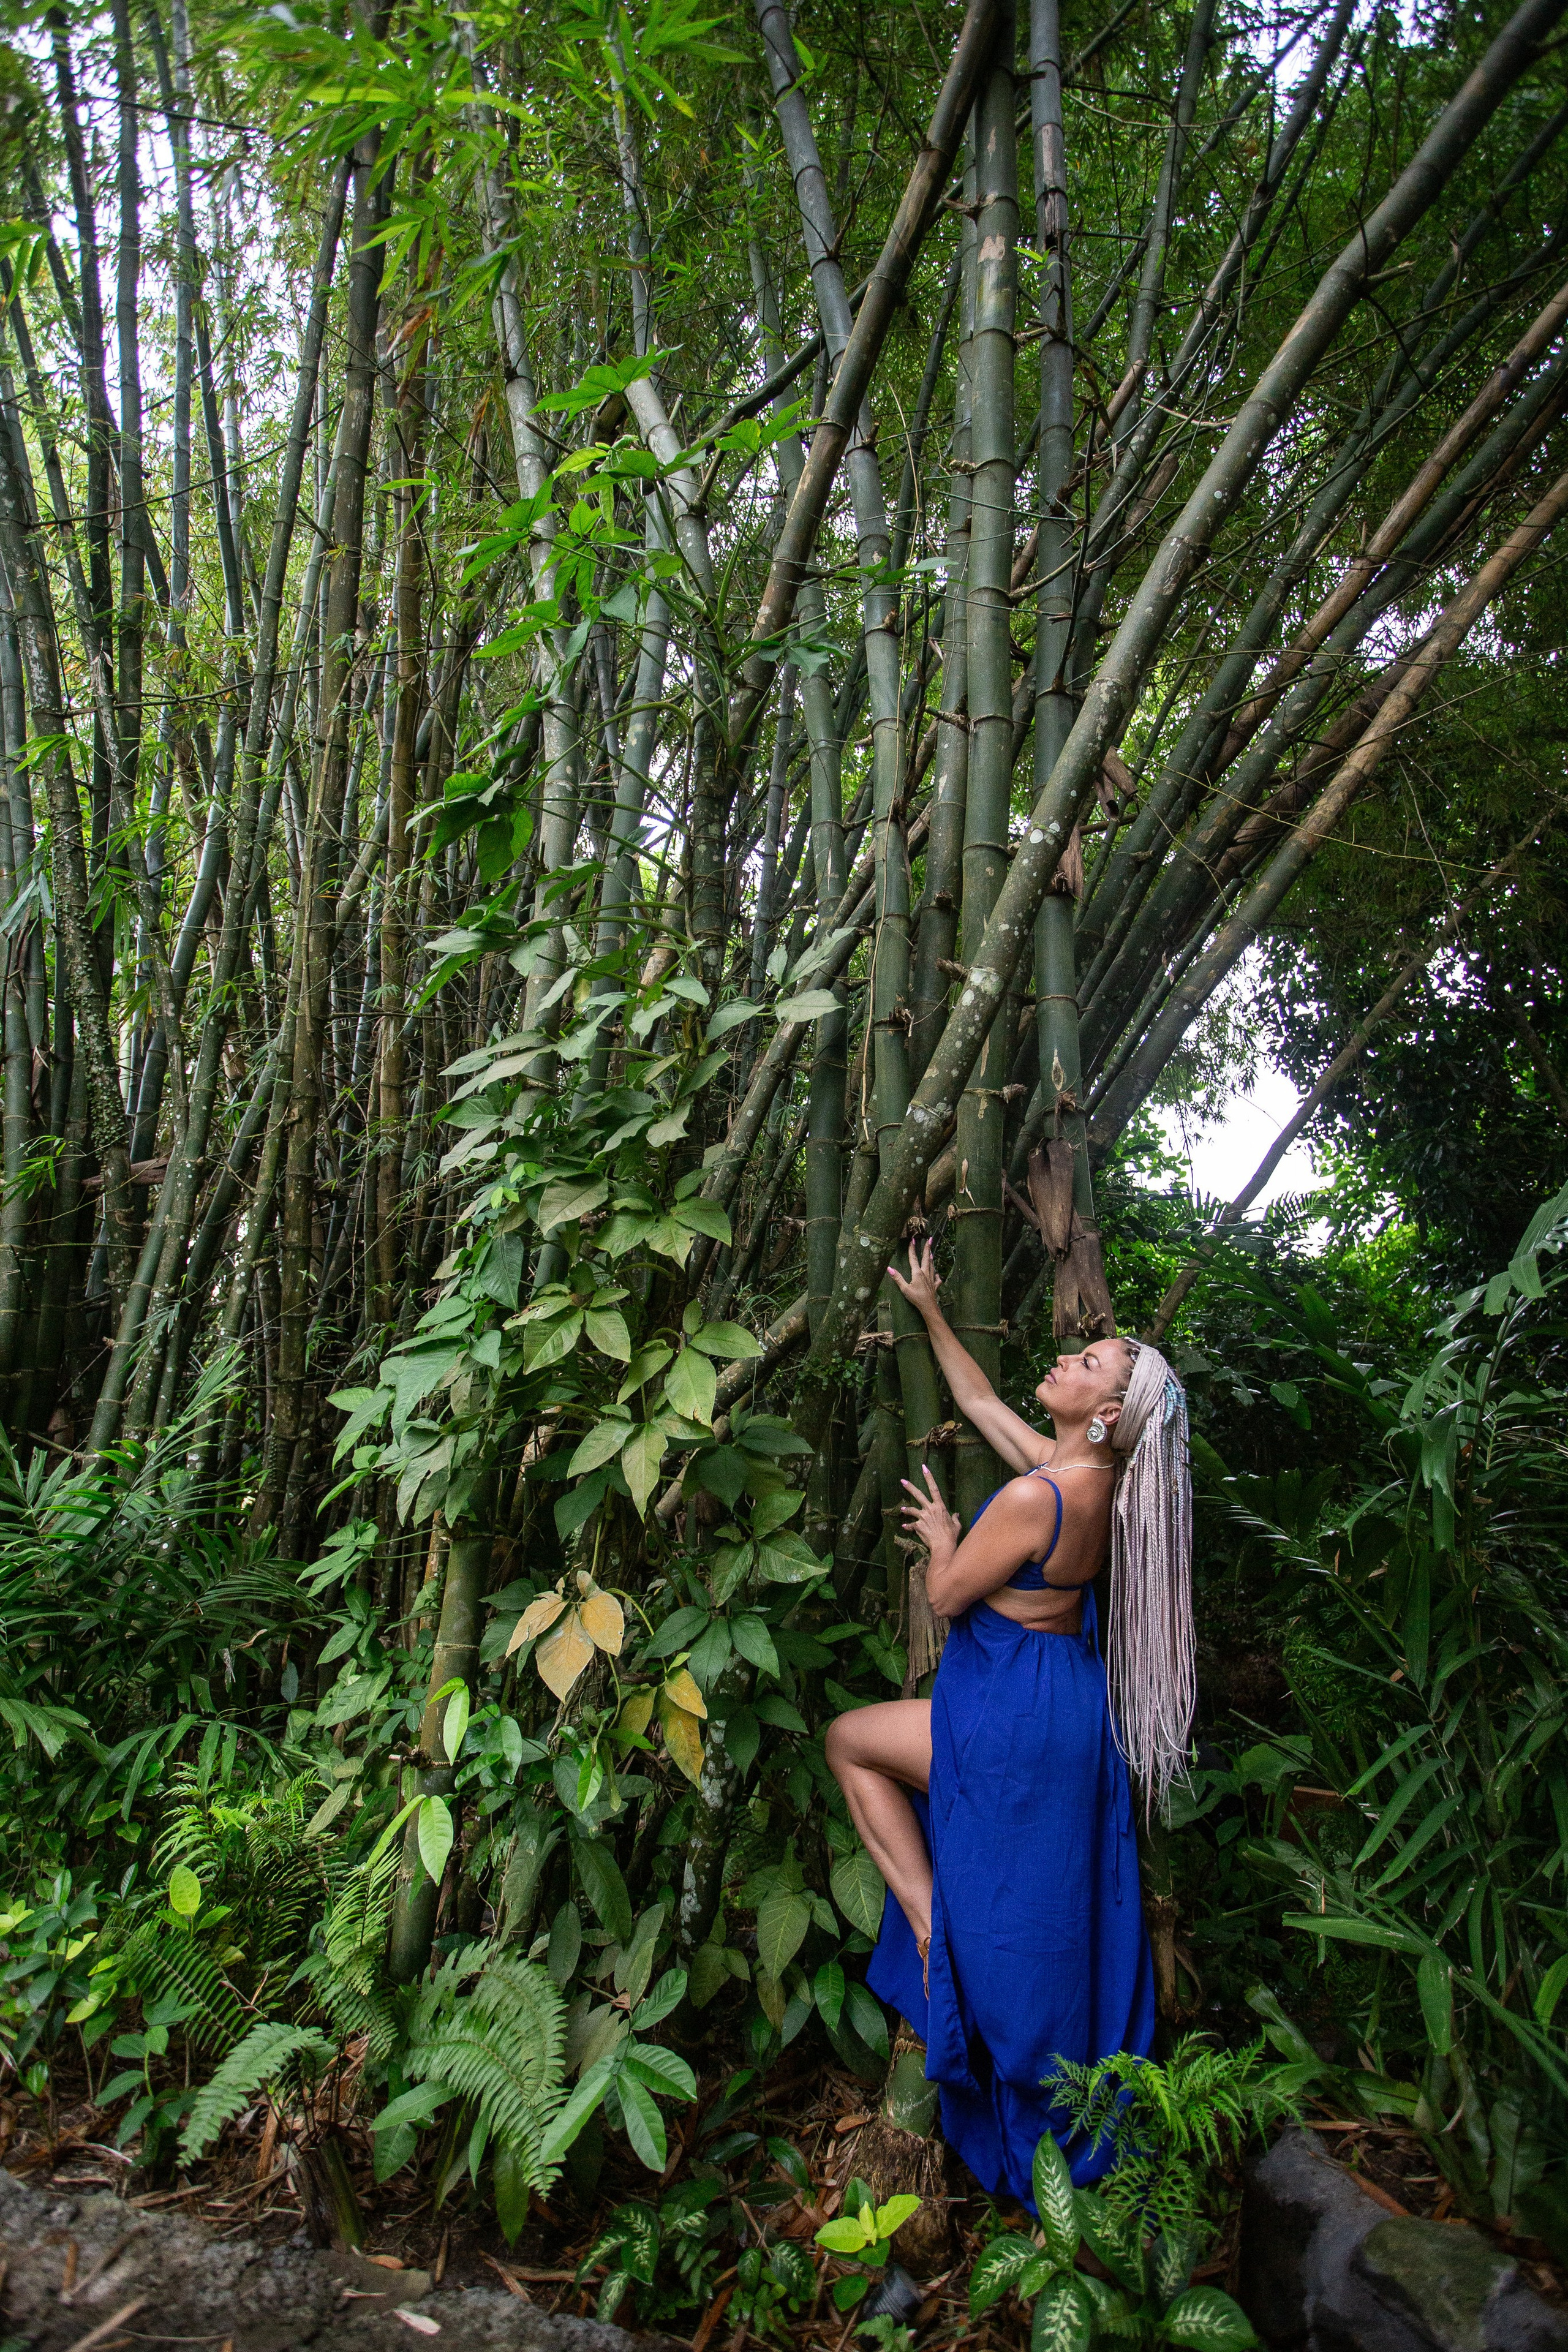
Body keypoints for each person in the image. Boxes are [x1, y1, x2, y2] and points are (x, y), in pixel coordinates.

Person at [823, 1237, 1195, 2203]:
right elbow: (985, 1404)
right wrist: (932, 1308)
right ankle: (968, 1950)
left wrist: (947, 1538)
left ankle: (926, 1920)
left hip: (1010, 1717)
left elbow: (946, 1597)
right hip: (1059, 1703)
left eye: (1091, 1364)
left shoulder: (1038, 1497)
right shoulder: (1094, 1485)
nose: (1071, 1356)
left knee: (850, 1742)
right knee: (1045, 1902)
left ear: (1107, 1415)